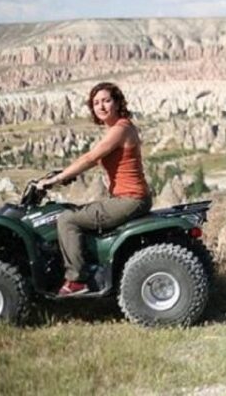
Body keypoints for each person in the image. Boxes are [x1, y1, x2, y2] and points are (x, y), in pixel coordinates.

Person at [36, 82, 152, 296]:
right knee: (73, 210)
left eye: (106, 101)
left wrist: (58, 179)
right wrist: (65, 174)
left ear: (117, 103)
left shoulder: (120, 129)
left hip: (130, 199)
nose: (101, 106)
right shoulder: (119, 128)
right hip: (129, 197)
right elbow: (96, 160)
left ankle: (77, 280)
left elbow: (90, 158)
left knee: (67, 220)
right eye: (96, 103)